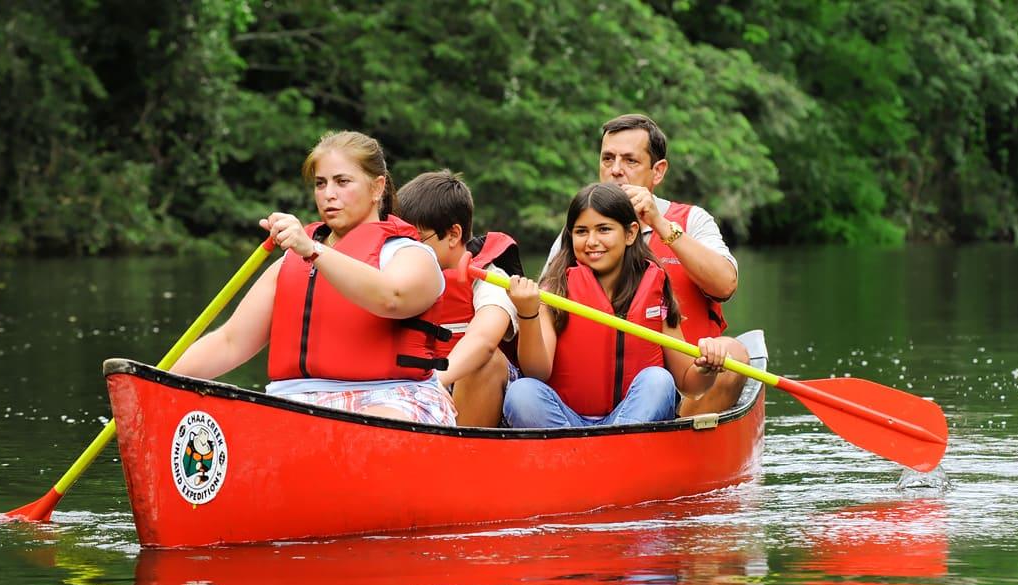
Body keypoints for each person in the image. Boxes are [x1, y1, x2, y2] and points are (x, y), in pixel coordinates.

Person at [170, 131, 457, 426]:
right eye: (321, 183)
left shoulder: (410, 255)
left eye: (342, 182)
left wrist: (312, 251)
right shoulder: (290, 264)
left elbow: (392, 298)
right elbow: (230, 342)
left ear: (377, 188)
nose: (328, 194)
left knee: (357, 427)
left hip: (389, 399)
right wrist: (152, 381)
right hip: (294, 403)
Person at [548, 114, 750, 417]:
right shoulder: (580, 235)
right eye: (607, 159)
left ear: (658, 172)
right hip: (600, 392)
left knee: (734, 352)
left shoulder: (692, 220)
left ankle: (679, 435)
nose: (615, 170)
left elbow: (725, 284)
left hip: (688, 384)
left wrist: (658, 222)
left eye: (630, 161)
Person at [504, 182, 727, 428]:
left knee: (659, 380)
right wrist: (527, 314)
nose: (591, 241)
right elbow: (537, 372)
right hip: (566, 425)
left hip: (631, 420)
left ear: (630, 233)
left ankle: (609, 448)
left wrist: (706, 368)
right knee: (521, 392)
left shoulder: (655, 289)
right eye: (581, 231)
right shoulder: (554, 291)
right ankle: (587, 451)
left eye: (604, 229)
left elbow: (688, 384)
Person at [394, 169, 524, 427]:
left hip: (464, 384)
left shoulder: (490, 277)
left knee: (486, 362)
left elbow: (484, 339)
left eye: (416, 240)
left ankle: (465, 456)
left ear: (453, 234)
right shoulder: (396, 276)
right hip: (412, 386)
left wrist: (433, 383)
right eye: (399, 240)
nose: (404, 250)